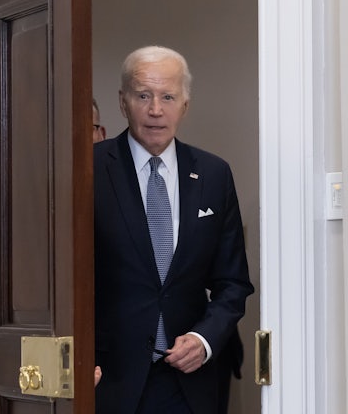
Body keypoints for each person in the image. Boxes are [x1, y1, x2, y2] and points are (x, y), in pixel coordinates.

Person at [93, 46, 254, 414]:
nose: (155, 110)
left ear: (185, 104)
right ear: (123, 101)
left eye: (168, 97)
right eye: (143, 95)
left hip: (189, 380)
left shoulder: (213, 174)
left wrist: (204, 339)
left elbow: (233, 283)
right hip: (109, 377)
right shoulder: (89, 170)